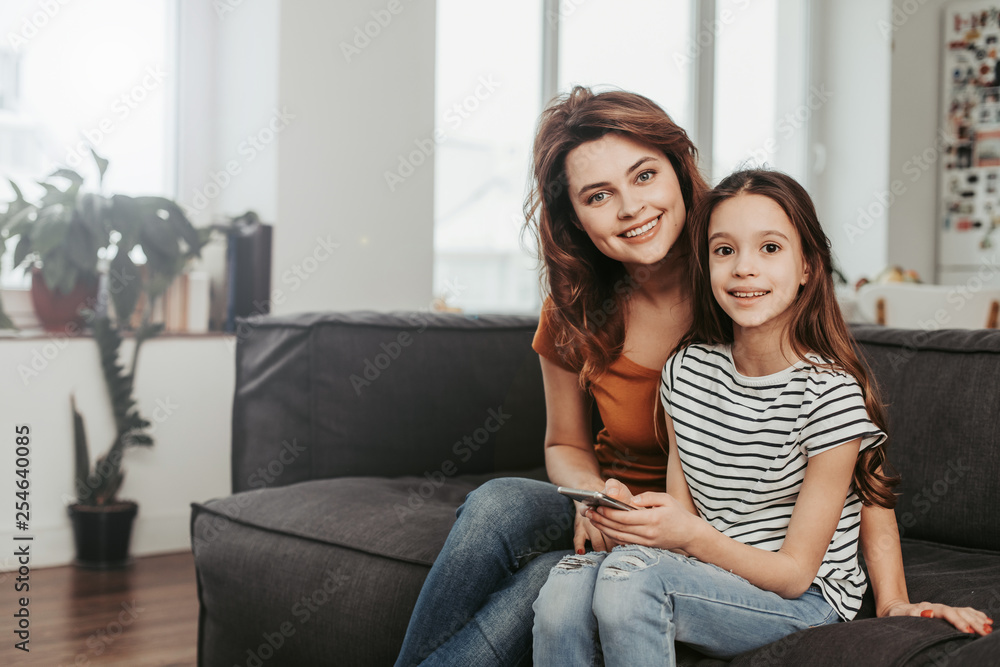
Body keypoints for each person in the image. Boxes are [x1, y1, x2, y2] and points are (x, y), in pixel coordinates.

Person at [394, 88, 990, 667]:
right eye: (598, 195)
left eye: (645, 175)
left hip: (704, 537)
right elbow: (565, 444)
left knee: (550, 585)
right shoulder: (589, 309)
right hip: (620, 510)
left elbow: (858, 472)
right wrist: (595, 500)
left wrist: (893, 601)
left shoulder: (740, 288)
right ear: (572, 214)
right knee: (499, 507)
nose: (630, 207)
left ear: (680, 171)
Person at [531, 169, 994, 665]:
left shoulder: (831, 396)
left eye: (770, 248)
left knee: (629, 582)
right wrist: (633, 516)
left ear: (807, 268)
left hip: (805, 599)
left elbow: (794, 573)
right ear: (706, 266)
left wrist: (690, 538)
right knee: (568, 581)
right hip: (713, 574)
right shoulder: (685, 372)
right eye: (724, 250)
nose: (744, 268)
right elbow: (684, 514)